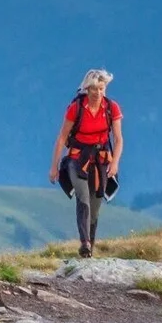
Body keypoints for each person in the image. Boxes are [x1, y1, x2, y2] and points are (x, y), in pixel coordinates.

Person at [50, 69, 124, 258]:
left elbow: (118, 138)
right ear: (87, 89)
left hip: (101, 161)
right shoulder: (76, 108)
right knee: (83, 198)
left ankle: (90, 245)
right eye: (93, 89)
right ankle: (84, 243)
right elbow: (62, 137)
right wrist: (54, 167)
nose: (97, 93)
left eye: (101, 88)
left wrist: (114, 163)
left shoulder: (111, 108)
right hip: (77, 160)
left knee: (95, 204)